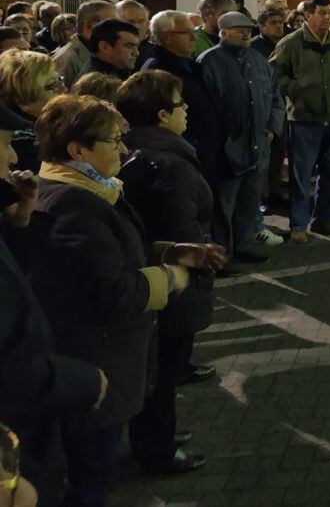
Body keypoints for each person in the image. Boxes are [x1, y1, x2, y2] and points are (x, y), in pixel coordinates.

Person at [27, 94, 219, 505]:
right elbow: (112, 291)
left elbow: (108, 258)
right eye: (114, 141)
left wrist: (167, 250)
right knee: (91, 479)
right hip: (98, 368)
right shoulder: (74, 206)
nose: (124, 149)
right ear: (78, 149)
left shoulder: (89, 192)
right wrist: (170, 277)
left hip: (105, 366)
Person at [0, 108, 105, 507]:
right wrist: (83, 381)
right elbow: (7, 370)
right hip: (19, 450)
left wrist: (19, 224)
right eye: (6, 144)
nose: (13, 158)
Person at [115, 71, 217, 475]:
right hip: (171, 282)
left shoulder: (144, 150)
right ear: (161, 114)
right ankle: (157, 450)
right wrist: (197, 266)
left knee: (161, 371)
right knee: (162, 373)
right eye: (179, 104)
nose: (186, 109)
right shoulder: (169, 164)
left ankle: (156, 438)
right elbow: (180, 230)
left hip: (157, 275)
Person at [200, 12, 285, 261]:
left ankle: (243, 244)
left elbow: (276, 97)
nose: (246, 33)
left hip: (258, 144)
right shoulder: (209, 61)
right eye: (238, 30)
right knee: (224, 204)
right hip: (228, 147)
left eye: (247, 29)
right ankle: (222, 253)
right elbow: (206, 107)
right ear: (223, 32)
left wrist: (272, 128)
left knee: (249, 200)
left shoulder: (258, 60)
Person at [269, 0, 330, 241]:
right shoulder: (292, 43)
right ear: (307, 15)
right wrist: (295, 89)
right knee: (300, 174)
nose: (327, 17)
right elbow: (273, 75)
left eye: (329, 13)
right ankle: (298, 225)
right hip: (304, 118)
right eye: (322, 13)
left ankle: (323, 221)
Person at [141, 11, 226, 193]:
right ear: (167, 37)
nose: (193, 38)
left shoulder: (190, 65)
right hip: (181, 156)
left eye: (193, 31)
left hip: (203, 154)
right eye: (186, 32)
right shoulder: (158, 71)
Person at [0, 51, 63, 173]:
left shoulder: (47, 124)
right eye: (53, 85)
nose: (63, 89)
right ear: (22, 100)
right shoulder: (25, 145)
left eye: (59, 80)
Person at [52, 0, 117, 88]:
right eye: (112, 24)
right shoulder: (67, 58)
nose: (117, 29)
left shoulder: (98, 50)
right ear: (90, 25)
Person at [116, 0, 154, 68]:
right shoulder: (110, 52)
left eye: (141, 21)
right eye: (131, 22)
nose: (136, 26)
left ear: (148, 25)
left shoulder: (157, 54)